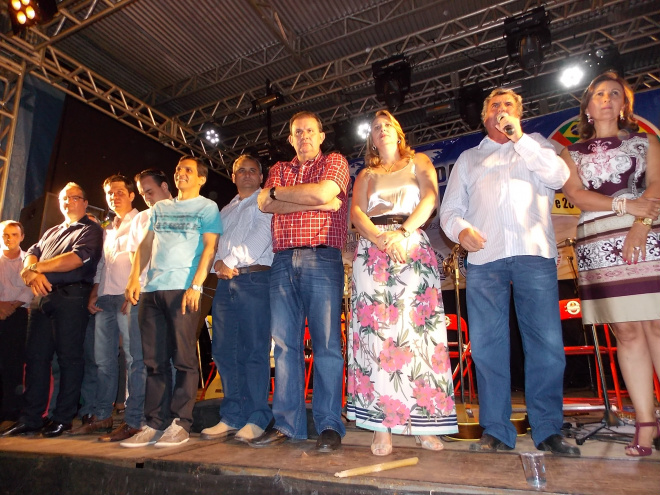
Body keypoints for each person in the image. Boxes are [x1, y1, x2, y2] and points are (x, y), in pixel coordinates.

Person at [440, 88, 580, 456]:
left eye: (509, 105)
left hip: (534, 254)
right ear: (484, 116)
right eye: (495, 106)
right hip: (486, 261)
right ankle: (497, 430)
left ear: (519, 113)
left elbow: (559, 175)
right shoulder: (469, 159)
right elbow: (450, 211)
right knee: (488, 348)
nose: (501, 110)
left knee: (546, 345)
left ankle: (548, 428)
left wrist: (520, 138)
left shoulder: (537, 145)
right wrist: (461, 231)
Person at [560, 71, 660, 457]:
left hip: (647, 234)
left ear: (624, 105)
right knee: (627, 332)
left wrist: (640, 223)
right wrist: (622, 205)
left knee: (655, 324)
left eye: (614, 94)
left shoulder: (645, 141)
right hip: (599, 241)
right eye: (599, 94)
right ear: (587, 107)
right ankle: (645, 425)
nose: (606, 99)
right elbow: (577, 195)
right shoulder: (570, 153)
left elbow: (656, 185)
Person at [347, 110, 458, 456]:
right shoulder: (366, 173)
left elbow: (430, 199)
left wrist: (404, 233)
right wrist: (380, 240)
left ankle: (425, 423)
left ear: (398, 131)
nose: (381, 131)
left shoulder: (419, 161)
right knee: (378, 336)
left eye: (387, 125)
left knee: (418, 333)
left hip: (411, 242)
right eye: (375, 128)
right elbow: (355, 214)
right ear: (372, 139)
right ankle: (383, 426)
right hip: (373, 248)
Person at [250, 111, 349, 452]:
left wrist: (284, 197)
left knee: (326, 346)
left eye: (310, 130)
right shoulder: (279, 169)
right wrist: (312, 197)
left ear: (321, 135)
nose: (304, 136)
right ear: (290, 139)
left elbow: (327, 193)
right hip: (281, 262)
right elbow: (264, 202)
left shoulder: (336, 161)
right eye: (297, 132)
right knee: (286, 347)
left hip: (322, 258)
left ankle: (329, 425)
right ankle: (288, 425)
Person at [121, 156, 221, 448]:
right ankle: (154, 423)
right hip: (153, 290)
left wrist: (196, 285)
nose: (181, 174)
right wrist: (133, 278)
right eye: (178, 170)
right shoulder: (160, 208)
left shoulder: (207, 207)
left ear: (201, 178)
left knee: (184, 360)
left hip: (183, 289)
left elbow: (210, 248)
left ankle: (180, 423)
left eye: (188, 170)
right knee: (154, 361)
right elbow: (146, 243)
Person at [1, 183, 103, 438]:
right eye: (63, 198)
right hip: (42, 300)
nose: (67, 202)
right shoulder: (52, 231)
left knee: (69, 359)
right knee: (35, 358)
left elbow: (76, 259)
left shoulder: (91, 229)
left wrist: (36, 269)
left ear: (84, 201)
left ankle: (63, 417)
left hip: (72, 298)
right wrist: (29, 269)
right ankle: (31, 417)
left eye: (73, 197)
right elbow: (31, 253)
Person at [200, 155, 274, 443]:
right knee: (223, 350)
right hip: (224, 283)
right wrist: (214, 264)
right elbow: (212, 244)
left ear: (260, 177)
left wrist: (226, 260)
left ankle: (258, 416)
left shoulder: (265, 202)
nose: (246, 175)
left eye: (252, 171)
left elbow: (262, 237)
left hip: (254, 279)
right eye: (240, 170)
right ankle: (232, 415)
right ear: (232, 176)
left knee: (254, 351)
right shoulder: (225, 210)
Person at [69, 175, 146, 442]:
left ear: (132, 194)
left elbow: (144, 258)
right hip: (105, 298)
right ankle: (102, 415)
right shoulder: (108, 229)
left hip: (128, 297)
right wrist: (94, 292)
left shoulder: (142, 219)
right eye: (110, 193)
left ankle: (134, 418)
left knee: (134, 359)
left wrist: (133, 289)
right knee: (102, 360)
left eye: (120, 191)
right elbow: (103, 265)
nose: (115, 196)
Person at [0, 221, 34, 423]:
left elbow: (29, 287)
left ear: (21, 237)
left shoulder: (28, 261)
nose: (9, 238)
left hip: (18, 314)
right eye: (5, 234)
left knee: (13, 363)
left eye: (13, 234)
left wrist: (10, 307)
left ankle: (12, 411)